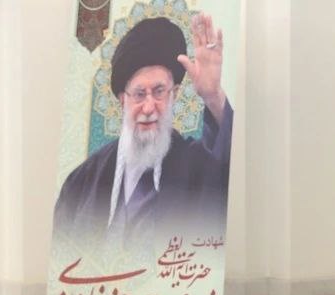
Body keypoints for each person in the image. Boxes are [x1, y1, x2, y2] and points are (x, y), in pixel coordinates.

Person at [53, 14, 232, 248]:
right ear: (122, 100)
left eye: (159, 92)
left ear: (174, 94)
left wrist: (213, 96)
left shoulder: (199, 170)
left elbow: (231, 173)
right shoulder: (80, 184)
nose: (149, 108)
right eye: (139, 94)